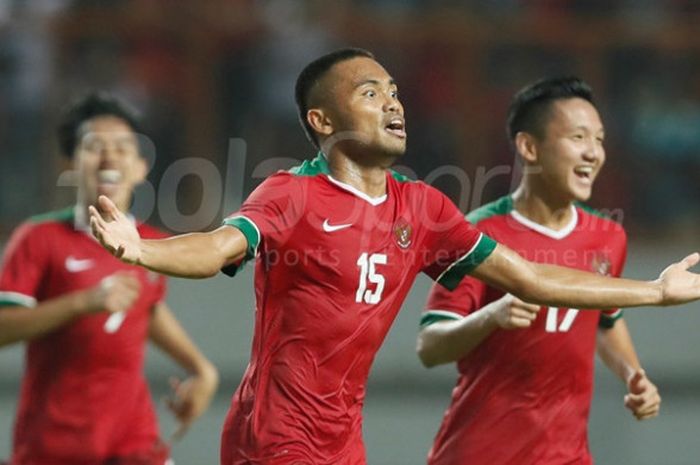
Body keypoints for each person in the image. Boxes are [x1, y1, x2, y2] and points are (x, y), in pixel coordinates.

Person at [88, 49, 700, 465]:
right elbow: (216, 246)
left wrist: (656, 290)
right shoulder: (291, 194)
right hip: (274, 436)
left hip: (344, 439)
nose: (393, 104)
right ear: (322, 118)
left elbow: (532, 277)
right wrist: (142, 248)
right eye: (370, 91)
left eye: (395, 93)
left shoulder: (425, 209)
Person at [416, 77, 662, 465]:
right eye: (578, 137)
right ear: (529, 147)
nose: (593, 153)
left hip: (567, 455)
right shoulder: (478, 235)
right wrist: (490, 317)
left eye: (598, 140)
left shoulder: (608, 237)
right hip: (481, 453)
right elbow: (430, 346)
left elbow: (606, 322)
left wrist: (633, 374)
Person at [0, 93, 219, 465]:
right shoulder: (38, 237)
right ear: (68, 163)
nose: (109, 157)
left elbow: (146, 307)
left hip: (133, 442)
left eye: (122, 147)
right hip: (52, 445)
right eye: (94, 146)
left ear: (141, 166)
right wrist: (83, 301)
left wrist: (202, 368)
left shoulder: (153, 245)